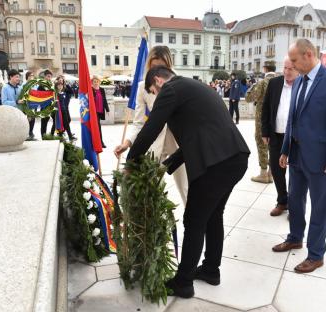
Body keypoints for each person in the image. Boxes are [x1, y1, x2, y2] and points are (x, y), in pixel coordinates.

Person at [126, 66, 249, 298]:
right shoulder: (195, 87)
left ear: (159, 81)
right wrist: (167, 164)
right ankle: (211, 270)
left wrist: (131, 161)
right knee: (213, 215)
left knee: (194, 220)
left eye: (152, 90)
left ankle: (183, 283)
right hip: (235, 158)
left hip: (216, 164)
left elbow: (152, 127)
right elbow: (199, 133)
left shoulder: (170, 90)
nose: (154, 95)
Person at [272, 39, 326, 273]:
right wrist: (285, 149)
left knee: (320, 208)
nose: (292, 65)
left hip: (322, 160)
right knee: (295, 201)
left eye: (295, 60)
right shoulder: (298, 80)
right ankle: (295, 237)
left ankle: (316, 254)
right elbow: (291, 120)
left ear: (308, 55)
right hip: (297, 156)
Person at [114, 45, 189, 205]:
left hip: (180, 144)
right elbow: (139, 122)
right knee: (151, 189)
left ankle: (197, 227)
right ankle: (158, 226)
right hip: (155, 143)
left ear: (169, 65)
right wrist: (127, 143)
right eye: (154, 66)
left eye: (162, 66)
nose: (157, 71)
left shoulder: (180, 82)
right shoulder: (143, 87)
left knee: (186, 188)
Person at [262, 57, 299, 216]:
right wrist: (264, 131)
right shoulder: (274, 83)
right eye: (285, 68)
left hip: (295, 138)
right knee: (277, 170)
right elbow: (266, 108)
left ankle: (294, 205)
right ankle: (282, 201)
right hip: (275, 135)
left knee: (295, 173)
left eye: (290, 69)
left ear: (298, 69)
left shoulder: (303, 85)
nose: (286, 72)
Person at [245, 61, 276, 184]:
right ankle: (271, 173)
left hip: (262, 119)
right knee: (274, 145)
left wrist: (252, 86)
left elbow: (249, 98)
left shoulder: (263, 82)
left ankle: (263, 174)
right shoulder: (281, 81)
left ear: (265, 69)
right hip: (276, 119)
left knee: (261, 142)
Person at [92, 75, 110, 148]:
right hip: (94, 111)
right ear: (92, 83)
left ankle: (100, 142)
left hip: (100, 111)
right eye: (94, 82)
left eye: (97, 82)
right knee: (98, 127)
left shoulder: (102, 89)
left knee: (98, 126)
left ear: (99, 82)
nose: (96, 83)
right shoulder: (91, 90)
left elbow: (104, 100)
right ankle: (100, 142)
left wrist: (107, 109)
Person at [40, 70, 55, 138]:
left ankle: (51, 134)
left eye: (50, 77)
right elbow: (38, 95)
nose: (49, 78)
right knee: (44, 123)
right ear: (45, 76)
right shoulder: (41, 85)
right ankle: (43, 136)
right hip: (44, 107)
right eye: (48, 76)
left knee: (55, 121)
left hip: (52, 106)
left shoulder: (51, 85)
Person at [24, 71, 37, 141]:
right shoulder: (24, 85)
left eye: (32, 75)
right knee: (28, 119)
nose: (31, 77)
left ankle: (31, 132)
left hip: (34, 104)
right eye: (30, 76)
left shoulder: (35, 85)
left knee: (33, 119)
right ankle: (27, 133)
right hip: (27, 105)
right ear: (27, 77)